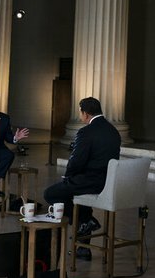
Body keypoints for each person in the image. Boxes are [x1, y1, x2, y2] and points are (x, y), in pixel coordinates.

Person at [43, 97, 120, 260]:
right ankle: (83, 250)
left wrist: (68, 175)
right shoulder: (113, 131)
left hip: (90, 182)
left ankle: (86, 220)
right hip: (107, 183)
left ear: (85, 113)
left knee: (51, 194)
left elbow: (76, 160)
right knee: (82, 203)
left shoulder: (86, 132)